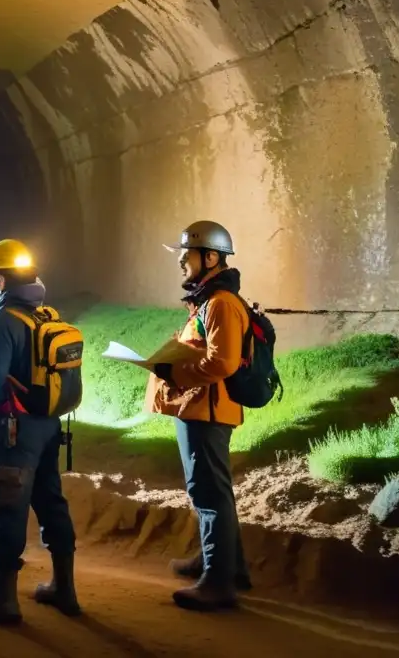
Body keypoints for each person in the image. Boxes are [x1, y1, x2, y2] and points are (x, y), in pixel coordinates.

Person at [0, 239, 80, 625]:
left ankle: (4, 599)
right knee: (50, 501)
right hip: (50, 424)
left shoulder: (3, 321)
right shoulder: (48, 314)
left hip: (15, 430)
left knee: (8, 505)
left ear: (0, 278)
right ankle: (65, 588)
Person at [146, 220, 253, 611]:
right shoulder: (210, 300)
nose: (180, 263)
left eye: (185, 255)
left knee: (209, 494)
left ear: (210, 257)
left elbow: (221, 363)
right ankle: (226, 565)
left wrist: (173, 372)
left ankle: (218, 582)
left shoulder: (220, 303)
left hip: (207, 411)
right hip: (201, 408)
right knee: (211, 491)